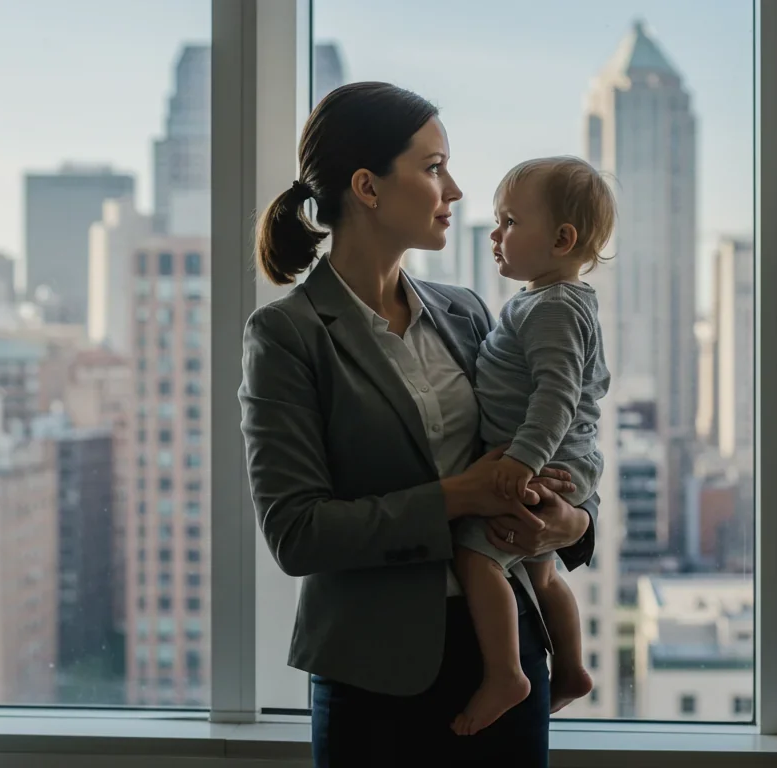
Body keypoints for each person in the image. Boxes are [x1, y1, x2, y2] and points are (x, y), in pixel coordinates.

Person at [240, 81, 599, 768]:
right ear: (368, 188)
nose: (456, 189)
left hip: (511, 649)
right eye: (434, 167)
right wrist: (462, 497)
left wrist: (573, 522)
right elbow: (297, 533)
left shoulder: (466, 312)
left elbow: (560, 430)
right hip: (374, 679)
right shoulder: (287, 334)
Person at [449, 157, 615, 737]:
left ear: (562, 239)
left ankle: (506, 674)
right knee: (541, 577)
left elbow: (557, 396)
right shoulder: (546, 302)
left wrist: (523, 460)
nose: (496, 235)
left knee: (478, 556)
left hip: (545, 464)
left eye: (511, 222)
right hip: (556, 460)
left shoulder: (552, 308)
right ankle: (570, 669)